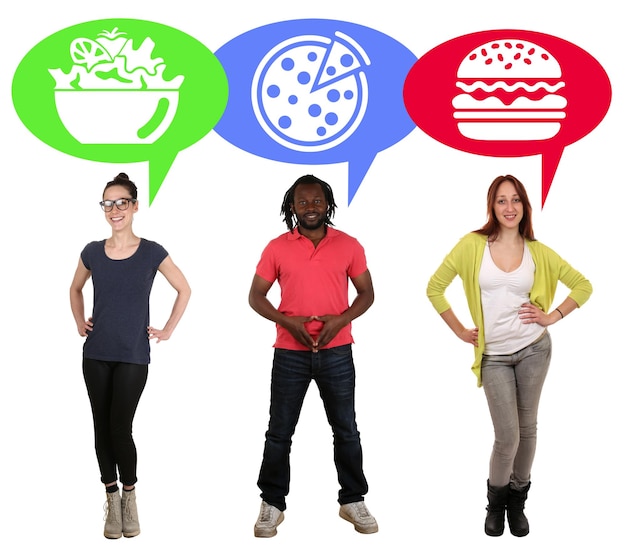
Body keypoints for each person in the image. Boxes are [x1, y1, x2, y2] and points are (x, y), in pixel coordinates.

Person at [426, 175, 592, 537]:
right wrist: (459, 330)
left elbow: (583, 286)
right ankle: (495, 504)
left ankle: (518, 501)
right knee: (507, 436)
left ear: (524, 206)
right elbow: (435, 288)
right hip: (495, 356)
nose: (509, 207)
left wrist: (552, 316)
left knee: (527, 429)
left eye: (515, 200)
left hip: (534, 348)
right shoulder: (472, 246)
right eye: (502, 201)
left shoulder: (538, 251)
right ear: (492, 207)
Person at [248, 174, 377, 537]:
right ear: (292, 205)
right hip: (290, 353)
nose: (310, 208)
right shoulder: (277, 247)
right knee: (279, 433)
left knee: (346, 430)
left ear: (328, 204)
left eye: (317, 201)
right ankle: (272, 504)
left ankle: (352, 501)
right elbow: (256, 296)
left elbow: (366, 293)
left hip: (337, 352)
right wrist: (287, 323)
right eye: (302, 202)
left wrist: (342, 320)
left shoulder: (348, 245)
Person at [69, 173, 191, 539]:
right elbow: (74, 288)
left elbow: (184, 289)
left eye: (122, 202)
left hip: (133, 355)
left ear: (135, 206)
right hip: (96, 354)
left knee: (120, 428)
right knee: (100, 428)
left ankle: (130, 496)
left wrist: (167, 329)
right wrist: (79, 321)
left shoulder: (152, 251)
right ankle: (110, 496)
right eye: (108, 203)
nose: (115, 209)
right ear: (103, 209)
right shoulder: (92, 251)